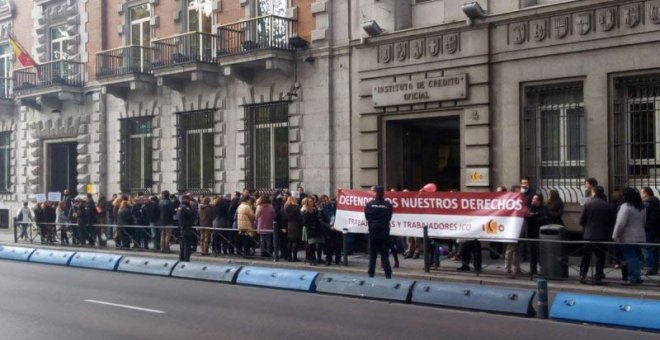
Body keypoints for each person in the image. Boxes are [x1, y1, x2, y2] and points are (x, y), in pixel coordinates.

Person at [579, 186, 612, 284]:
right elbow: (611, 221)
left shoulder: (588, 204)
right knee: (600, 256)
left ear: (594, 193)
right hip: (602, 235)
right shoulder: (607, 205)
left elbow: (582, 220)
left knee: (586, 256)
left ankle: (583, 274)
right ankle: (598, 275)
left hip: (588, 235)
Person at [613, 187, 646, 284]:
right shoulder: (641, 207)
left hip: (627, 237)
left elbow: (620, 223)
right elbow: (644, 222)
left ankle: (634, 278)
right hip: (640, 235)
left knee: (631, 258)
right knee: (636, 257)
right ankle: (637, 276)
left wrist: (615, 235)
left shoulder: (625, 206)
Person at [365, 185, 394, 279]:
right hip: (384, 233)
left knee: (372, 256)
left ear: (375, 193)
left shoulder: (369, 204)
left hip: (373, 233)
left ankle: (371, 274)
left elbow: (367, 218)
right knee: (384, 255)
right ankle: (388, 275)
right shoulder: (388, 205)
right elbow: (389, 217)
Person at [301, 197, 328, 265]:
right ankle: (312, 260)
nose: (311, 202)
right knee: (312, 246)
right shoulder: (305, 211)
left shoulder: (316, 210)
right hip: (311, 230)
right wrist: (311, 226)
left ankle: (319, 258)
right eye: (309, 201)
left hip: (318, 230)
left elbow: (319, 219)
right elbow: (304, 222)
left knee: (320, 244)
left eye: (312, 201)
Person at [526, 194, 547, 275]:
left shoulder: (543, 209)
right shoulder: (530, 208)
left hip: (540, 235)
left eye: (534, 199)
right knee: (532, 253)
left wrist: (533, 216)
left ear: (539, 201)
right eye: (532, 199)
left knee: (540, 253)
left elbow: (542, 220)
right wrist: (533, 216)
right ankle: (532, 270)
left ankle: (542, 270)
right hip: (530, 234)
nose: (532, 200)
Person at [641, 187, 659, 276]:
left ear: (646, 193)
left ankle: (650, 268)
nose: (641, 194)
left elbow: (643, 217)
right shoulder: (657, 202)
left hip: (648, 229)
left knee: (647, 249)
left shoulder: (647, 204)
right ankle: (654, 268)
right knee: (654, 249)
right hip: (656, 229)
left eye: (642, 192)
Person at [283, 196, 302, 261]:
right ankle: (295, 257)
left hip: (289, 225)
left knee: (290, 241)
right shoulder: (297, 207)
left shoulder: (285, 207)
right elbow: (299, 217)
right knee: (295, 241)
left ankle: (289, 257)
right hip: (296, 225)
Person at [178, 195, 196, 262]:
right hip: (186, 227)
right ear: (186, 199)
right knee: (187, 245)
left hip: (182, 227)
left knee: (182, 245)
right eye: (189, 200)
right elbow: (191, 214)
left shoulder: (180, 206)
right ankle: (186, 259)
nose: (190, 201)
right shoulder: (185, 207)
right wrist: (193, 207)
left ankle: (181, 258)